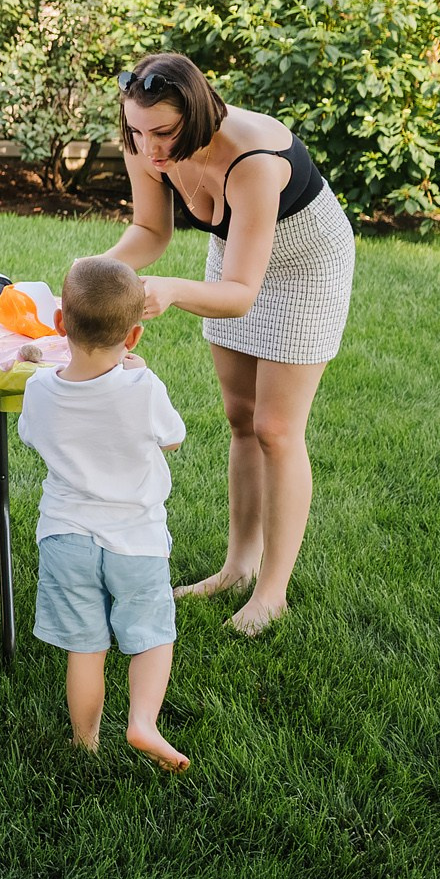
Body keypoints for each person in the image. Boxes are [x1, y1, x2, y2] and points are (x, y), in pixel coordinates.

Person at [106, 52, 355, 637]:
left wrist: (170, 291)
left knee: (276, 427)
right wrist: (93, 272)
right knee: (240, 418)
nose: (152, 149)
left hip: (307, 265)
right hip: (240, 250)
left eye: (164, 134)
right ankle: (238, 567)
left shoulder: (253, 162)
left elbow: (241, 293)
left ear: (196, 114)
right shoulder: (145, 139)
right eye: (138, 134)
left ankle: (273, 592)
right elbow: (150, 232)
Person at [19, 256, 190, 772]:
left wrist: (39, 364)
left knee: (85, 649)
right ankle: (142, 722)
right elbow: (174, 438)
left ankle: (85, 741)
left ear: (58, 324)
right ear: (134, 336)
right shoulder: (144, 387)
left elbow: (35, 428)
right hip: (135, 539)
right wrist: (137, 378)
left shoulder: (38, 388)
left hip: (65, 537)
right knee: (152, 635)